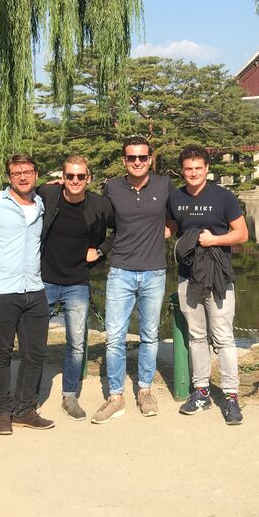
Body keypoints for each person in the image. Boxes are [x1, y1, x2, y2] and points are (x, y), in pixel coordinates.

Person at [92, 136, 173, 424]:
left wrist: (161, 234)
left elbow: (177, 216)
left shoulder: (164, 185)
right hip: (121, 271)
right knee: (115, 337)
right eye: (131, 157)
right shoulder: (112, 188)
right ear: (124, 160)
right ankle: (115, 396)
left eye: (142, 157)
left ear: (150, 159)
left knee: (150, 335)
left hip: (154, 271)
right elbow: (98, 218)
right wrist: (57, 188)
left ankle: (145, 391)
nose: (137, 162)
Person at [167, 145, 249, 425]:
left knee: (224, 337)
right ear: (182, 171)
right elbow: (170, 229)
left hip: (218, 276)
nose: (193, 173)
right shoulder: (175, 197)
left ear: (207, 169)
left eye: (198, 168)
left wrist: (214, 240)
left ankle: (231, 396)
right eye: (188, 169)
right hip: (187, 276)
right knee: (196, 336)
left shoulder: (223, 197)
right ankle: (201, 391)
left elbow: (242, 233)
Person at [0, 154, 55, 435]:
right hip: (0, 292)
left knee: (35, 354)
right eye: (16, 173)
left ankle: (24, 410)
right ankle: (2, 412)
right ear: (8, 177)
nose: (23, 177)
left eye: (28, 171)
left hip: (34, 290)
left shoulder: (41, 205)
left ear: (36, 174)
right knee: (0, 354)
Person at [36, 155, 114, 421]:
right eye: (70, 176)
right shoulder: (48, 194)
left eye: (81, 176)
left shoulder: (100, 205)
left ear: (88, 178)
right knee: (35, 340)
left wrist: (101, 251)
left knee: (77, 343)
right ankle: (30, 396)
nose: (75, 180)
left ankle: (69, 396)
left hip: (77, 282)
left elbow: (121, 229)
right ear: (63, 177)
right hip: (45, 280)